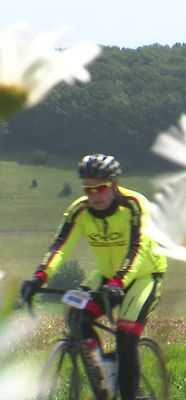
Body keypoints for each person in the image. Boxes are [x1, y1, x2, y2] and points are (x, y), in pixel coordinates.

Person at [20, 154, 168, 400]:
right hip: (107, 276)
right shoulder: (80, 210)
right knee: (77, 316)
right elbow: (60, 246)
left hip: (144, 275)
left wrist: (118, 281)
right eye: (88, 189)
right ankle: (105, 374)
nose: (94, 195)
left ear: (114, 184)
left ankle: (131, 395)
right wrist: (39, 278)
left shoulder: (133, 204)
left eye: (101, 188)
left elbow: (137, 247)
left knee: (125, 334)